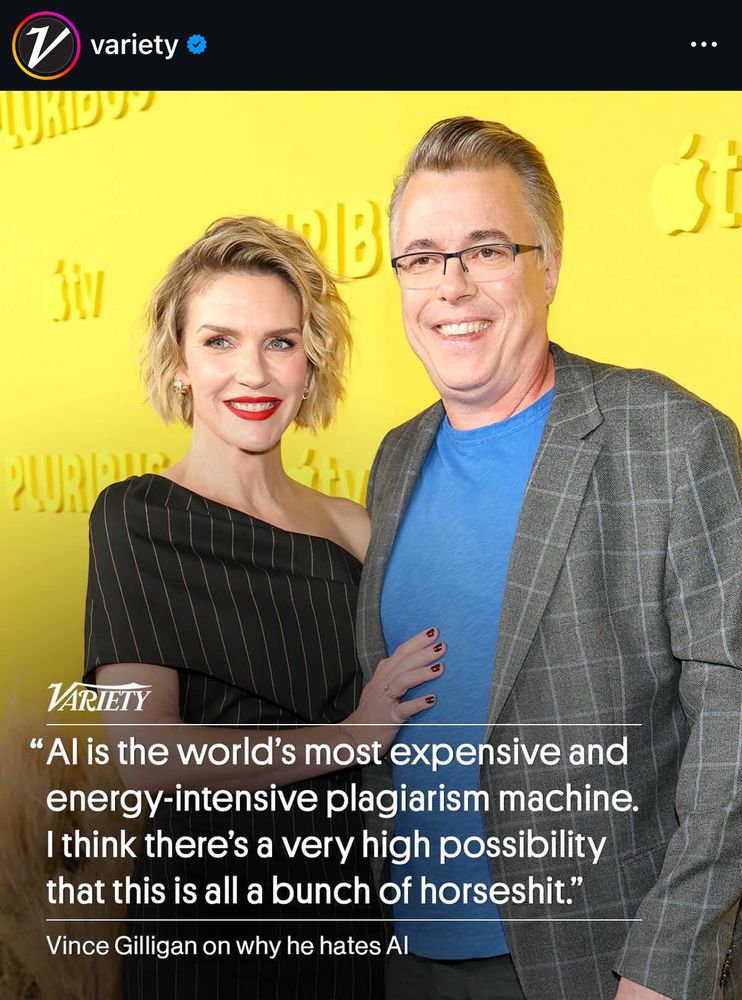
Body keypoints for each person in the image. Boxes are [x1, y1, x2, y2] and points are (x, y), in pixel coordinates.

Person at [356, 117, 742, 1000]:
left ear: (551, 266)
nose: (451, 285)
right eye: (422, 257)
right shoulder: (395, 459)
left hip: (593, 965)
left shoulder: (671, 438)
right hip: (407, 953)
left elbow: (734, 722)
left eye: (486, 249)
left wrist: (665, 965)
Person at [82, 216, 444, 999]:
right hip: (206, 926)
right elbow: (146, 759)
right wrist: (350, 737)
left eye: (280, 343)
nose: (253, 373)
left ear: (309, 367)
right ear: (179, 363)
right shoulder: (135, 517)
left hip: (353, 915)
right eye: (219, 341)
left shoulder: (355, 528)